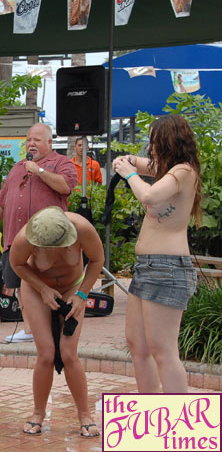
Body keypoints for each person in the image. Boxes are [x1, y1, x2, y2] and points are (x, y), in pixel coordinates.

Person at [112, 114, 201, 393]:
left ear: (169, 143)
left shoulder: (183, 172)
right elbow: (146, 165)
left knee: (163, 350)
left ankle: (178, 423)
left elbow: (149, 196)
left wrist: (129, 174)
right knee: (137, 343)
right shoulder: (168, 169)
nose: (151, 148)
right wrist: (129, 161)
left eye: (155, 142)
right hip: (147, 266)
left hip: (168, 266)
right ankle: (151, 413)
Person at [9, 206, 104, 437]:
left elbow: (97, 259)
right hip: (37, 288)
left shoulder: (82, 228)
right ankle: (38, 413)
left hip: (74, 287)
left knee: (69, 352)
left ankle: (85, 415)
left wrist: (82, 295)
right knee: (47, 353)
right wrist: (42, 288)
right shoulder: (24, 238)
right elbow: (17, 265)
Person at [0, 123, 77, 343]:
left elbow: (65, 186)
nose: (31, 144)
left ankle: (52, 326)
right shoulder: (18, 166)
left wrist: (40, 171)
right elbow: (2, 198)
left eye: (36, 140)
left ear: (49, 142)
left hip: (46, 241)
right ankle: (29, 330)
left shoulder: (61, 163)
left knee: (45, 283)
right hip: (15, 237)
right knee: (19, 283)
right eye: (28, 140)